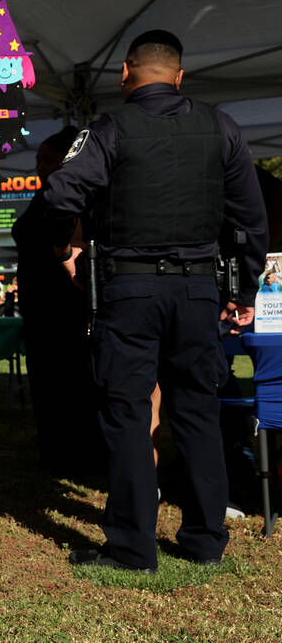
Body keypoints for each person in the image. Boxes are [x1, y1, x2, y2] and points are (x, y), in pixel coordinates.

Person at [42, 29, 267, 573]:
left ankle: (132, 548)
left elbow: (57, 194)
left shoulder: (109, 129)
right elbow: (250, 221)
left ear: (125, 73)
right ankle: (205, 540)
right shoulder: (222, 127)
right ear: (180, 76)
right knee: (198, 412)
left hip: (129, 290)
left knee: (128, 413)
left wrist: (67, 245)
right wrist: (244, 290)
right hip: (197, 291)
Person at [11, 126, 104, 475]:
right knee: (49, 383)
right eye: (39, 160)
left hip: (68, 308)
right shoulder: (46, 195)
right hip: (40, 309)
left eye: (50, 160)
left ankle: (79, 455)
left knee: (75, 382)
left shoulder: (78, 196)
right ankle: (55, 452)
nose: (41, 167)